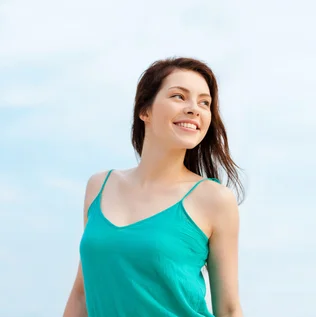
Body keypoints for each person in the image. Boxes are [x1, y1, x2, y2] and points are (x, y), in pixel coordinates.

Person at [63, 57, 245, 317]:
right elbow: (82, 294)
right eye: (179, 96)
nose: (194, 108)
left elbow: (228, 309)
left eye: (204, 102)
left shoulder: (214, 199)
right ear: (144, 110)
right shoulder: (99, 186)